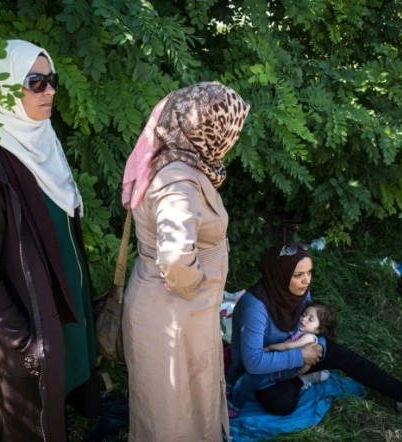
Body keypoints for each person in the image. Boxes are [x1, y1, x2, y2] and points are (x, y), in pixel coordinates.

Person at [0, 40, 100, 441]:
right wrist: (25, 343)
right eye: (35, 81)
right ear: (3, 89)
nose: (49, 90)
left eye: (51, 80)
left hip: (59, 312)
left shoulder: (43, 142)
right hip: (28, 329)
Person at [121, 82, 251, 441]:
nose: (231, 139)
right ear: (205, 129)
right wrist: (195, 286)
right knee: (173, 417)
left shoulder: (170, 159)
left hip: (175, 312)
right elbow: (177, 259)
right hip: (173, 315)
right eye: (229, 129)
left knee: (178, 408)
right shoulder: (179, 179)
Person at [228, 242, 402, 416]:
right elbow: (253, 362)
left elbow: (312, 326)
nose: (307, 281)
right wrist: (301, 356)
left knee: (344, 356)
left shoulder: (298, 292)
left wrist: (319, 346)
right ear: (279, 275)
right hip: (265, 367)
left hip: (298, 351)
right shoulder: (254, 307)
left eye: (309, 272)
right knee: (283, 403)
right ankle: (302, 379)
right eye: (298, 275)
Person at [226, 301, 335, 416]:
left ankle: (234, 406)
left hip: (281, 369)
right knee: (241, 362)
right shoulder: (300, 330)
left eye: (310, 319)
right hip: (277, 359)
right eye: (304, 315)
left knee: (249, 379)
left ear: (318, 330)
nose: (304, 319)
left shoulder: (309, 337)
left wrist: (270, 347)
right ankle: (228, 386)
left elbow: (289, 346)